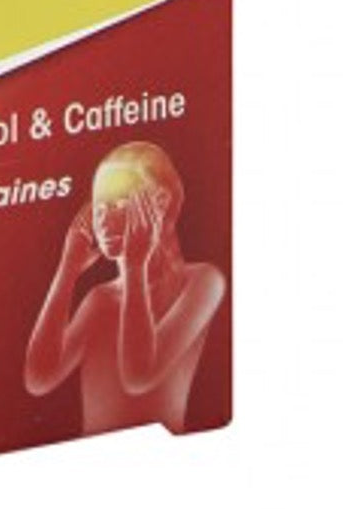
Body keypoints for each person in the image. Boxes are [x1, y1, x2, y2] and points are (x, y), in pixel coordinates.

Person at [24, 141, 225, 434]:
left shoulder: (202, 281)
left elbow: (139, 377)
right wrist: (67, 270)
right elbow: (38, 379)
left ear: (160, 201)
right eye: (98, 206)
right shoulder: (101, 299)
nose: (103, 219)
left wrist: (134, 266)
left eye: (118, 204)